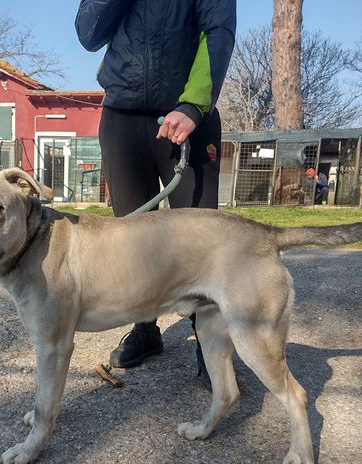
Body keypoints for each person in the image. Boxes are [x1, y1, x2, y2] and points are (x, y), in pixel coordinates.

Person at [75, 1, 237, 380]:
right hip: (121, 118)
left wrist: (194, 106)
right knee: (131, 241)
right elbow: (88, 34)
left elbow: (219, 33)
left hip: (186, 117)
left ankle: (210, 342)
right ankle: (146, 330)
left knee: (201, 244)